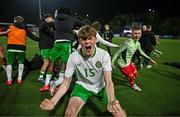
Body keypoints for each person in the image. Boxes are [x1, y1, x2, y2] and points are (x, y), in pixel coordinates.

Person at [40, 25, 126, 117]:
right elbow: (66, 83)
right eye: (84, 39)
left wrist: (111, 100)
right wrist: (53, 102)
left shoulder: (103, 55)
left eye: (90, 38)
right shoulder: (73, 57)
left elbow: (108, 81)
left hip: (101, 87)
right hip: (82, 87)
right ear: (79, 41)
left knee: (120, 115)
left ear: (95, 40)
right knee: (69, 114)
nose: (87, 42)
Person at [39, 6, 85, 92]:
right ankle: (59, 83)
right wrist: (73, 31)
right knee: (64, 63)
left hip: (56, 43)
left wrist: (48, 21)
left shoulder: (56, 20)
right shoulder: (71, 19)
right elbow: (84, 24)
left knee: (52, 62)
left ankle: (46, 85)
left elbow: (42, 26)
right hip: (66, 43)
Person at [112, 25, 157, 92]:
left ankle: (127, 75)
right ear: (131, 34)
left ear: (141, 33)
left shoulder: (138, 43)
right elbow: (117, 53)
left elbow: (141, 52)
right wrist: (112, 63)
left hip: (129, 62)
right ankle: (133, 85)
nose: (137, 35)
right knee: (132, 76)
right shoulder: (127, 43)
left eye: (139, 33)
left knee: (136, 74)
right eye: (135, 33)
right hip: (122, 64)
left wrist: (150, 59)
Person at [5, 16, 39, 86]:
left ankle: (9, 80)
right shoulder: (25, 28)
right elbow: (32, 36)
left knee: (9, 63)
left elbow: (3, 33)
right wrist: (40, 40)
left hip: (11, 48)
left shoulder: (10, 27)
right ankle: (19, 79)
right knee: (21, 63)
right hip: (21, 48)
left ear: (15, 20)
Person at [38, 14, 55, 83]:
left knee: (52, 62)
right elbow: (42, 26)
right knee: (46, 62)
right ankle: (40, 77)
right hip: (44, 46)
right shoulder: (42, 24)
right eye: (50, 18)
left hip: (51, 46)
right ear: (46, 19)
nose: (52, 19)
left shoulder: (52, 26)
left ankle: (50, 75)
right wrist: (51, 22)